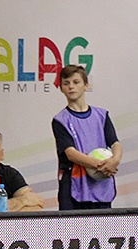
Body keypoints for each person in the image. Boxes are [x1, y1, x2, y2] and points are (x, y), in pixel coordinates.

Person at [52, 64, 122, 210]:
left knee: (101, 230)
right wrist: (101, 165)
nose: (71, 87)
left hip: (100, 184)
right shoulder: (60, 120)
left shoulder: (102, 115)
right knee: (72, 230)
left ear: (86, 85)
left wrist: (114, 161)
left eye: (76, 82)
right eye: (66, 83)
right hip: (73, 185)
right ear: (61, 88)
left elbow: (115, 143)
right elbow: (70, 153)